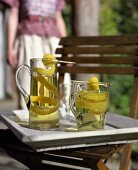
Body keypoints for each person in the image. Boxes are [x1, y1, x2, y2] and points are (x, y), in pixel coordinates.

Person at [2, 0, 67, 109]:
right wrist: (10, 48)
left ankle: (58, 118)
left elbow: (59, 18)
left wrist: (66, 46)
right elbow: (13, 16)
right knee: (28, 82)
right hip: (29, 37)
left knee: (59, 84)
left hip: (53, 39)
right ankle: (28, 120)